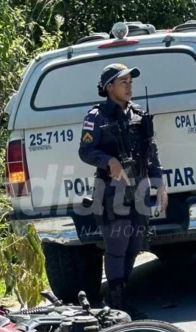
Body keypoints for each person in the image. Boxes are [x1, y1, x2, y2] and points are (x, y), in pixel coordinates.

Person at [78, 63, 168, 314]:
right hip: (110, 190)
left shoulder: (137, 113)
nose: (129, 87)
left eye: (130, 82)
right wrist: (109, 161)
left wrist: (160, 184)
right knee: (117, 246)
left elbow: (151, 152)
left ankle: (118, 298)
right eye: (123, 83)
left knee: (134, 244)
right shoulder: (96, 117)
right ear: (109, 87)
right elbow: (85, 151)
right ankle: (118, 306)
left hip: (139, 188)